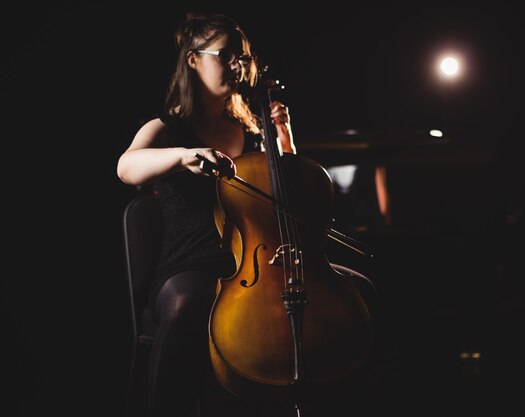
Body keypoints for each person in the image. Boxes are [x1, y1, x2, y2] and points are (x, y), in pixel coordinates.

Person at [117, 10, 378, 417]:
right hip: (193, 261)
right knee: (187, 305)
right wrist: (183, 156)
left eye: (242, 56)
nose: (237, 65)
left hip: (265, 262)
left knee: (357, 290)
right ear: (193, 60)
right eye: (225, 55)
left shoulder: (256, 131)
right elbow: (127, 166)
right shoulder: (168, 128)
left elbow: (293, 197)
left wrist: (285, 142)